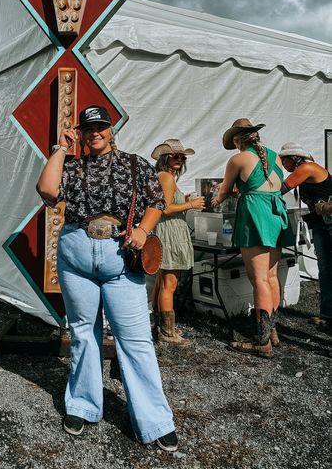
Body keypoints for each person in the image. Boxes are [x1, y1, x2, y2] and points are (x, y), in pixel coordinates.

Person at [36, 105, 178, 451]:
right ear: (81, 134)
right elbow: (46, 191)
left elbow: (156, 200)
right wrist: (60, 147)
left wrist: (144, 230)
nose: (94, 132)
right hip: (77, 253)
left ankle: (155, 420)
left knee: (135, 339)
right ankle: (82, 405)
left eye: (100, 127)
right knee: (84, 332)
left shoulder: (134, 164)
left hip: (121, 256)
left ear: (111, 130)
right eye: (88, 129)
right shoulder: (71, 166)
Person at [211, 119, 294, 358]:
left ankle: (261, 341)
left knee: (258, 279)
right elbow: (270, 185)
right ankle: (271, 330)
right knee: (270, 276)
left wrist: (215, 199)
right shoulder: (275, 156)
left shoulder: (238, 159)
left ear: (238, 140)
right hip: (276, 213)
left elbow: (225, 190)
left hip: (255, 214)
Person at [150, 139, 204, 345]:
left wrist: (184, 199)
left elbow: (169, 203)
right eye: (175, 156)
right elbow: (164, 208)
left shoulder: (166, 177)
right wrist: (191, 203)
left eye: (182, 157)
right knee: (169, 284)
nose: (180, 160)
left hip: (169, 232)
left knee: (162, 281)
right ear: (165, 158)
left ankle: (159, 327)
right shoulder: (166, 177)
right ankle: (167, 332)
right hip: (170, 233)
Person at [279, 142, 332, 326]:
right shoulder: (305, 169)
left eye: (282, 160)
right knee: (325, 269)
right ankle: (327, 315)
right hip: (321, 224)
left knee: (328, 269)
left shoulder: (307, 167)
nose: (282, 164)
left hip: (329, 222)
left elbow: (281, 188)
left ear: (292, 158)